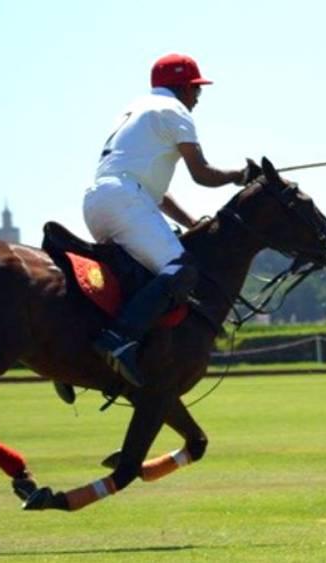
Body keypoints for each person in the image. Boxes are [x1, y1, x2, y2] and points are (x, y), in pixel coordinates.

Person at [84, 53, 253, 388]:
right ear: (184, 88)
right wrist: (242, 174)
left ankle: (81, 340)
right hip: (125, 201)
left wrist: (191, 222)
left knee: (139, 276)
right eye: (197, 90)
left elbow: (155, 194)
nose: (198, 98)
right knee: (182, 270)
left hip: (98, 201)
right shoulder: (175, 112)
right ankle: (118, 339)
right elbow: (202, 174)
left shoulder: (136, 109)